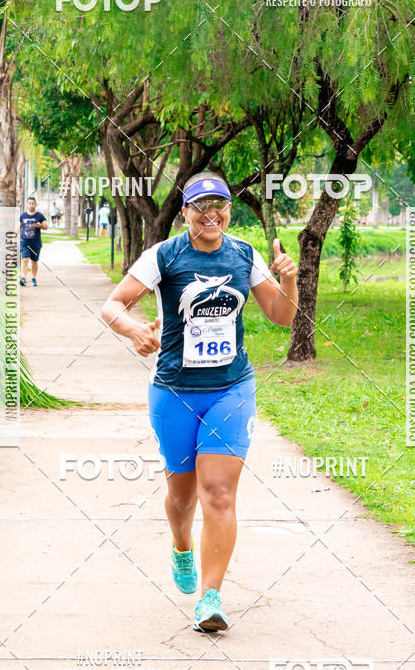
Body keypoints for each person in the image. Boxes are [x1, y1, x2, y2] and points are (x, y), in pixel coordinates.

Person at [101, 172, 298, 632]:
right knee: (182, 494)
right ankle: (181, 545)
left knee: (219, 493)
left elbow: (282, 316)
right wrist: (133, 330)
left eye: (219, 205)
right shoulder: (165, 255)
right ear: (186, 212)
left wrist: (289, 282)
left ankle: (211, 597)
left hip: (231, 389)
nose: (211, 214)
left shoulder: (244, 255)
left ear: (229, 209)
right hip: (174, 392)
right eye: (200, 206)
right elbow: (113, 304)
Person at [19, 196, 48, 286]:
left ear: (36, 204)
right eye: (29, 203)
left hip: (36, 243)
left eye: (33, 203)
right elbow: (18, 227)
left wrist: (40, 226)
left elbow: (46, 227)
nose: (31, 205)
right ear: (27, 204)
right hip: (25, 243)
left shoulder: (39, 216)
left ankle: (33, 278)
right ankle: (23, 278)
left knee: (34, 261)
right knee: (25, 259)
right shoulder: (23, 216)